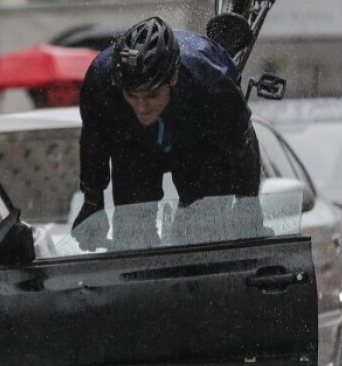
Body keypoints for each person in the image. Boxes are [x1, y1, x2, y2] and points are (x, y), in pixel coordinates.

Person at [72, 16, 261, 248]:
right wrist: (92, 202)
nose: (142, 107)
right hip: (136, 148)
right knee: (132, 237)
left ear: (173, 77)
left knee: (203, 232)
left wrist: (248, 204)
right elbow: (94, 144)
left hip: (198, 145)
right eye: (132, 95)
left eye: (152, 95)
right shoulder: (101, 80)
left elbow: (241, 145)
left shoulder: (211, 83)